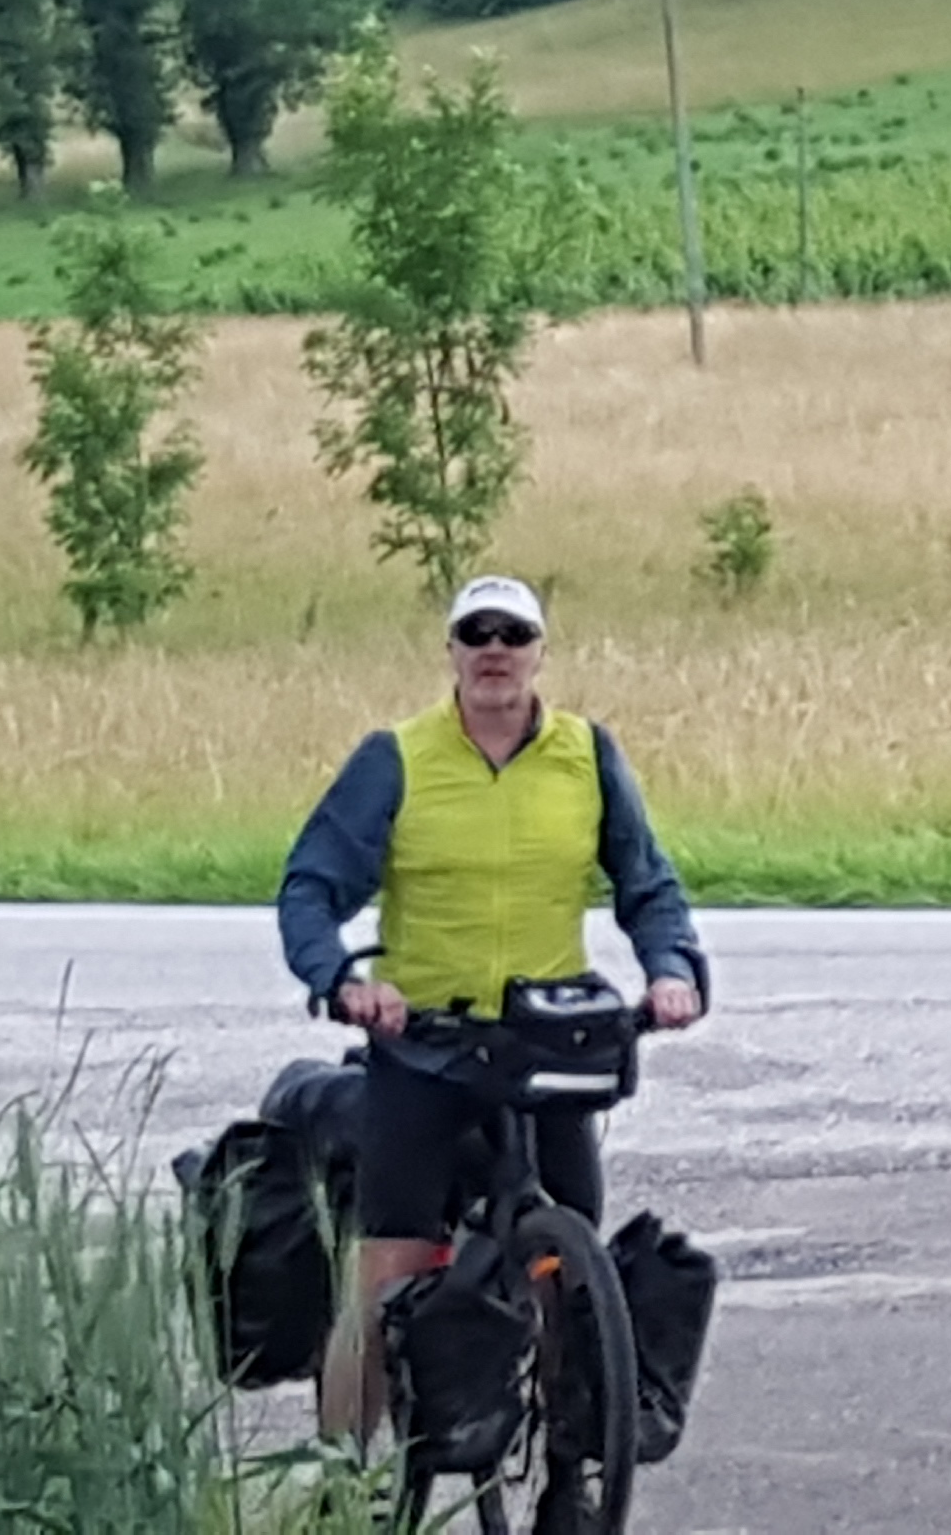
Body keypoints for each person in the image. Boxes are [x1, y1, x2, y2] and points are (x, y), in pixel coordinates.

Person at [277, 573, 709, 1452]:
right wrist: (343, 980)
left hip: (549, 1045)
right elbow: (310, 889)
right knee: (390, 1268)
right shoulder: (396, 758)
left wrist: (671, 971)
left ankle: (570, 1467)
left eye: (513, 634)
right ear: (452, 652)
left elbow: (647, 884)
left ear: (540, 652)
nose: (495, 651)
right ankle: (339, 1473)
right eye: (476, 633)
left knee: (574, 1259)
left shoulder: (587, 756)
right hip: (426, 1047)